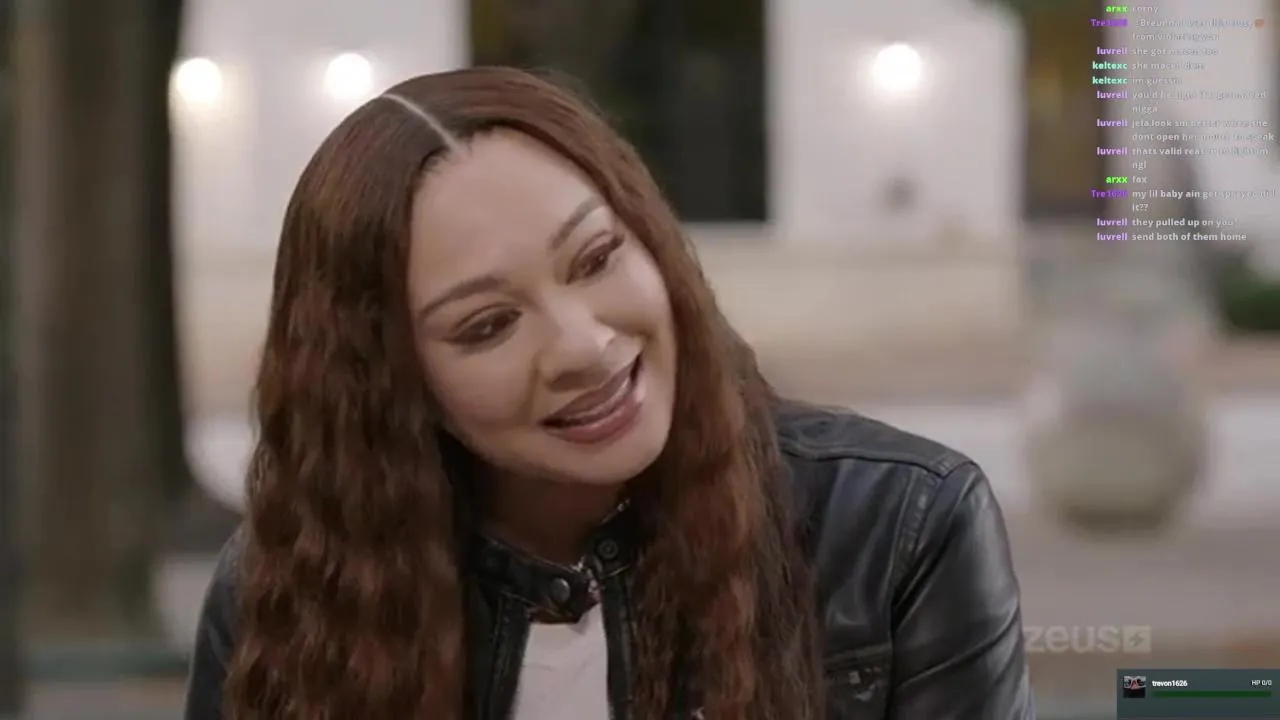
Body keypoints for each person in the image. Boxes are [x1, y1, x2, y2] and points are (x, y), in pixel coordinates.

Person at [183, 66, 1034, 719]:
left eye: (595, 259)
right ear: (391, 384)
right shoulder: (292, 586)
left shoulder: (897, 528)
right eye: (488, 325)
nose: (583, 347)